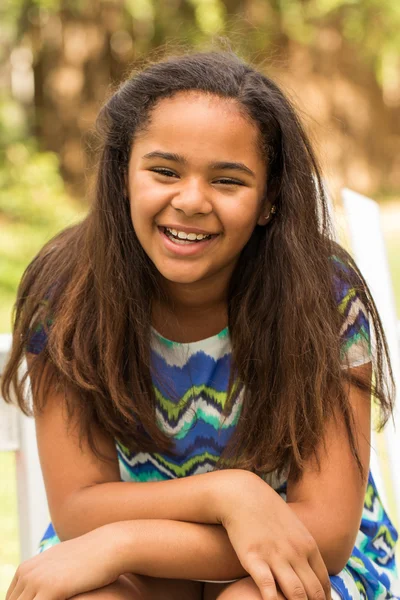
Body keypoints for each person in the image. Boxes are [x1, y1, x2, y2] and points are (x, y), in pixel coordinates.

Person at [2, 50, 399, 600]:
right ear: (122, 174)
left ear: (268, 201)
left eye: (228, 181)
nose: (190, 201)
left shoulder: (323, 298)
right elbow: (77, 508)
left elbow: (327, 535)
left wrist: (127, 544)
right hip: (117, 539)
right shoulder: (69, 296)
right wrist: (227, 495)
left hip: (302, 550)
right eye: (165, 171)